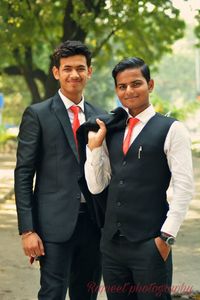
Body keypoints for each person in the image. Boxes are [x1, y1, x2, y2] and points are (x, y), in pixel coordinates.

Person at [85, 57, 194, 300]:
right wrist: (94, 149)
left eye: (136, 84)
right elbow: (96, 186)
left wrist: (166, 237)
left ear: (150, 85)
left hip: (150, 244)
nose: (129, 91)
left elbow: (184, 187)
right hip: (112, 246)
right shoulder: (111, 129)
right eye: (122, 86)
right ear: (116, 90)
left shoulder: (172, 129)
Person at [15, 40, 104, 300]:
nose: (74, 74)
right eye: (67, 68)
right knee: (52, 294)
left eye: (80, 68)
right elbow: (23, 174)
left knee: (85, 295)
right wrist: (28, 230)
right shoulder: (37, 114)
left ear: (89, 71)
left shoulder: (101, 117)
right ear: (56, 72)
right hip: (52, 227)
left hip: (93, 225)